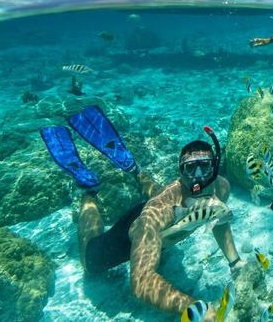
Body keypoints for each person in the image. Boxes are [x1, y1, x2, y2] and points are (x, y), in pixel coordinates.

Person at [40, 105, 242, 318]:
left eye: (204, 166)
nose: (198, 177)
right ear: (180, 173)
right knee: (90, 263)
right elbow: (140, 283)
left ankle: (134, 170)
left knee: (160, 198)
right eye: (190, 168)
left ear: (215, 167)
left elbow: (218, 222)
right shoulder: (154, 216)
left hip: (165, 217)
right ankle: (89, 190)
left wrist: (235, 261)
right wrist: (196, 309)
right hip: (135, 230)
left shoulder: (221, 187)